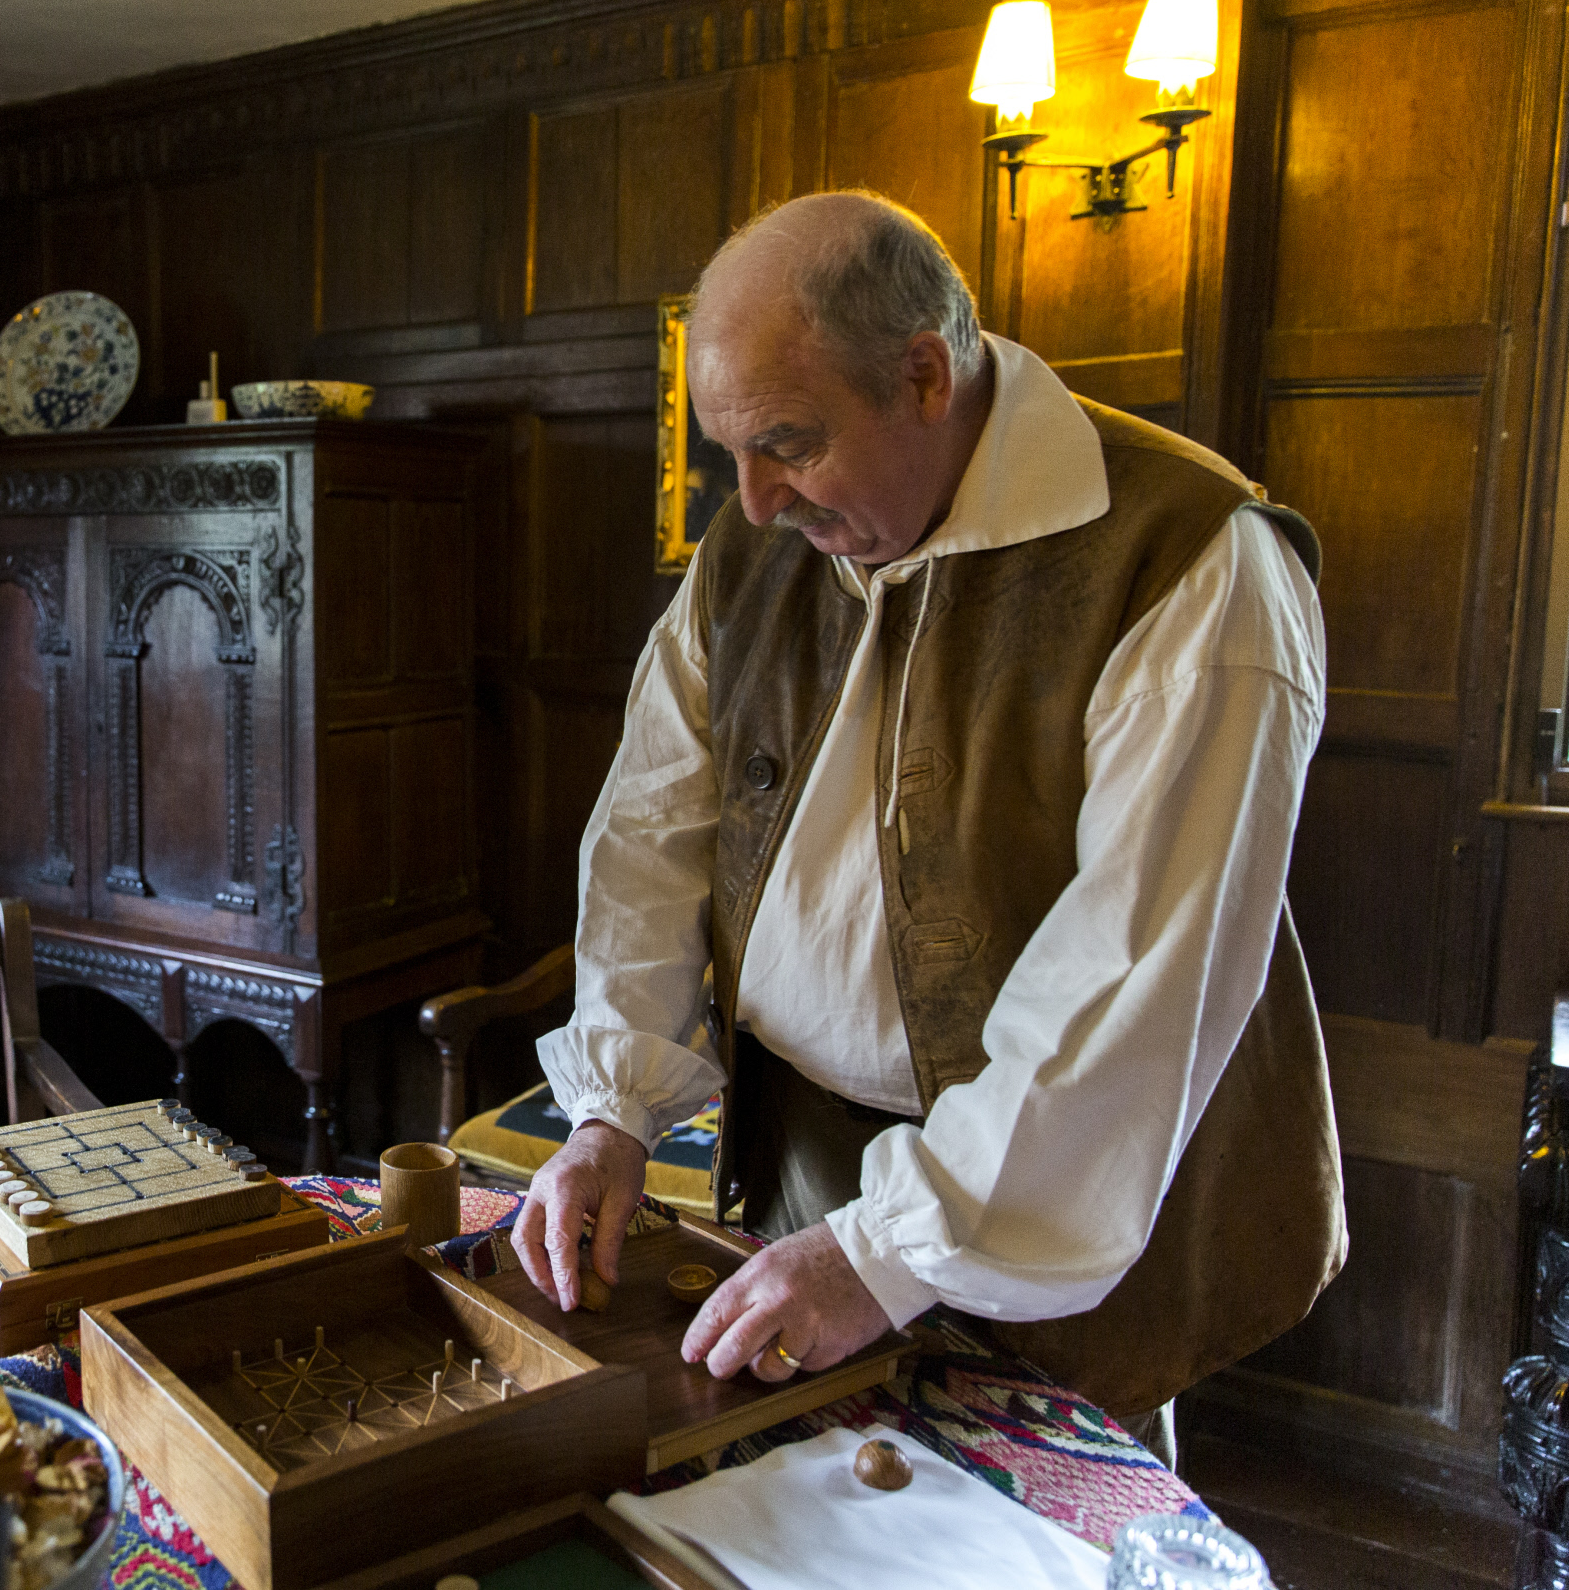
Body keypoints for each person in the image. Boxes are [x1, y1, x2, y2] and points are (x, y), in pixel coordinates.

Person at [512, 190, 1344, 1464]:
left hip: (1064, 1202)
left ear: (922, 376)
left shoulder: (1187, 561)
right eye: (727, 452)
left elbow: (1136, 978)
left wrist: (890, 1248)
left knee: (1019, 1539)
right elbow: (650, 829)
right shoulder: (751, 557)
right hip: (802, 1157)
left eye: (788, 441)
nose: (752, 504)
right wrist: (610, 1107)